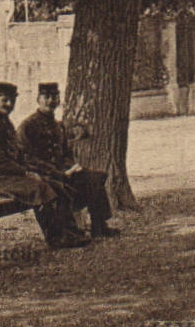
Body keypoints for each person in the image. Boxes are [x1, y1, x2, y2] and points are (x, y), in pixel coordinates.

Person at [0, 82, 89, 249]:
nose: (9, 104)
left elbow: (19, 156)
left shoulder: (5, 123)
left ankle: (71, 232)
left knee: (55, 185)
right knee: (40, 188)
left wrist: (35, 171)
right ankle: (55, 238)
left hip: (10, 176)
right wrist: (25, 173)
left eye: (12, 100)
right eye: (4, 100)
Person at [18, 82, 120, 239]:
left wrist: (71, 167)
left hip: (63, 172)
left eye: (54, 97)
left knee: (95, 178)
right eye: (47, 97)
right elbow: (26, 158)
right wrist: (54, 171)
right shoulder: (27, 126)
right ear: (38, 99)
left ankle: (99, 225)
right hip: (44, 174)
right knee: (60, 188)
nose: (51, 101)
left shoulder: (58, 125)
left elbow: (66, 153)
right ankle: (67, 232)